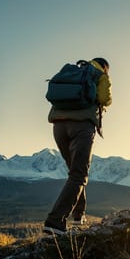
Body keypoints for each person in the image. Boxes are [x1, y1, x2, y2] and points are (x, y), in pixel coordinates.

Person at [43, 58, 112, 236]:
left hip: (58, 126)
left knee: (74, 173)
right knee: (79, 175)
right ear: (105, 68)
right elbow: (105, 99)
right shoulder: (100, 75)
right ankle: (55, 221)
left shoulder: (73, 71)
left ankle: (78, 215)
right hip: (81, 126)